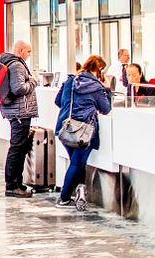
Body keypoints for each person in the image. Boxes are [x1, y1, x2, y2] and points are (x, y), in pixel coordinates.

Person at [54, 55, 112, 210]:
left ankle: (80, 194)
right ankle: (64, 198)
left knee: (78, 163)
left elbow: (58, 101)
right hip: (83, 131)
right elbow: (105, 109)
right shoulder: (97, 87)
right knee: (77, 163)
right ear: (99, 70)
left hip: (65, 127)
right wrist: (107, 89)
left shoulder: (70, 81)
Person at [0, 40, 38, 198]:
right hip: (20, 112)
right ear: (20, 51)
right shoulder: (18, 65)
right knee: (17, 148)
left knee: (18, 147)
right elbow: (19, 88)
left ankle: (16, 183)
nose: (29, 55)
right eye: (28, 51)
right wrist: (33, 81)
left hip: (14, 110)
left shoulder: (5, 62)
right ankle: (12, 185)